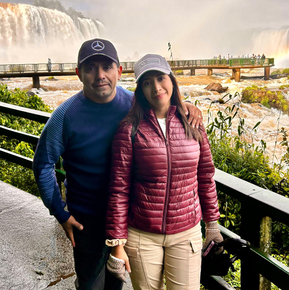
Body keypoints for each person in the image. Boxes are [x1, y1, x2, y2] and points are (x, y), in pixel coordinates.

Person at [33, 39, 202, 290]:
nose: (100, 75)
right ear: (78, 73)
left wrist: (186, 107)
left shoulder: (134, 105)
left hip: (129, 218)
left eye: (107, 67)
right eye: (90, 68)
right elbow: (43, 163)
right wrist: (60, 213)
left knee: (116, 283)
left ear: (119, 71)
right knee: (90, 284)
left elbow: (164, 105)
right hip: (86, 219)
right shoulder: (66, 115)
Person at [105, 54, 223, 289]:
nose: (156, 87)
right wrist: (117, 244)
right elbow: (119, 189)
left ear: (172, 80)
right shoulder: (129, 130)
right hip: (142, 235)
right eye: (147, 82)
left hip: (186, 233)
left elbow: (206, 177)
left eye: (160, 78)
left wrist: (212, 225)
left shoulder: (193, 123)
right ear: (140, 90)